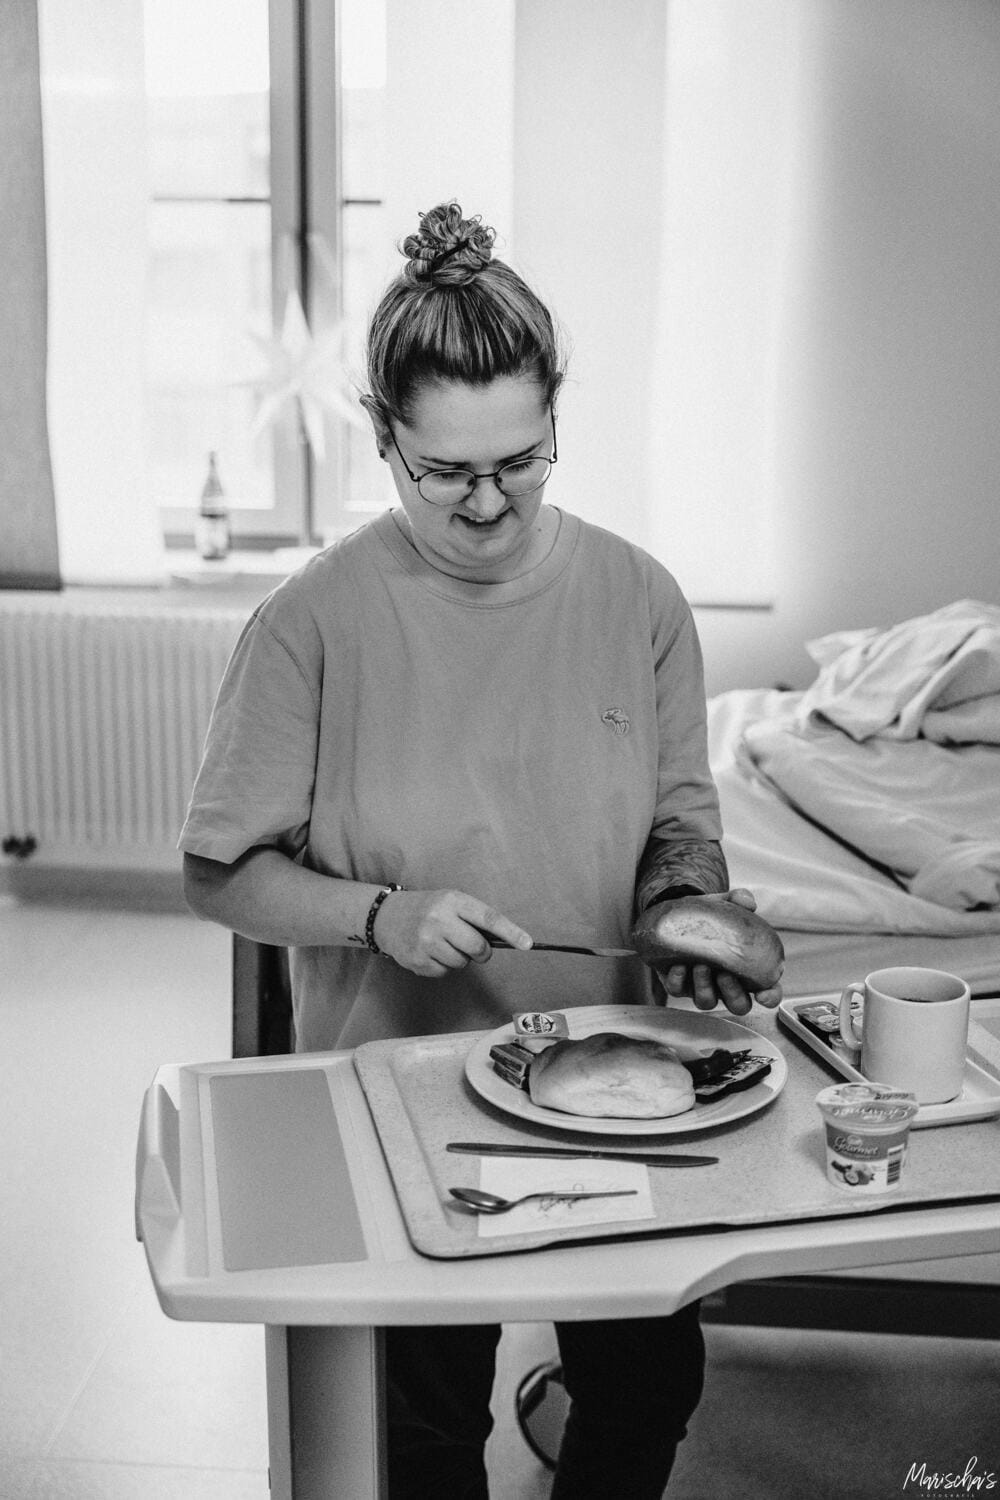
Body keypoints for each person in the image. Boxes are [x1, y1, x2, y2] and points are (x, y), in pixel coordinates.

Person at [180, 200, 783, 1499]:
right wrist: (380, 917)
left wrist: (688, 923)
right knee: (422, 1422)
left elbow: (681, 824)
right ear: (384, 440)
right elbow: (217, 871)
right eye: (447, 473)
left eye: (523, 459)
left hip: (615, 1095)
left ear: (556, 423)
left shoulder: (639, 600)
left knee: (648, 1385)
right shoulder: (312, 623)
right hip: (397, 1103)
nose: (490, 501)